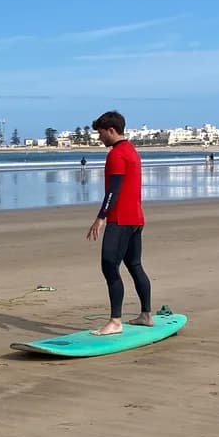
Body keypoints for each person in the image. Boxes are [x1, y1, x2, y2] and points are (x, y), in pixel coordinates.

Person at [86, 110, 152, 335]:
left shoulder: (116, 155)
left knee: (109, 265)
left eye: (101, 133)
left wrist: (101, 217)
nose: (99, 138)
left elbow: (114, 190)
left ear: (111, 130)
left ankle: (115, 321)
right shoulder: (131, 150)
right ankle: (146, 315)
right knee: (134, 265)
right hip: (136, 217)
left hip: (121, 219)